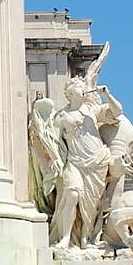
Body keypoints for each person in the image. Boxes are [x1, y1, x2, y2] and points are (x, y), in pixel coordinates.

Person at [49, 77, 124, 250]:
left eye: (84, 87)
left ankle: (85, 239)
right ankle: (65, 238)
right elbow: (54, 142)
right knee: (73, 194)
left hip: (97, 162)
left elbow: (118, 111)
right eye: (79, 87)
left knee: (91, 207)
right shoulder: (61, 116)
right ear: (69, 93)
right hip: (74, 162)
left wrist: (107, 95)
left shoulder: (92, 110)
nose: (83, 89)